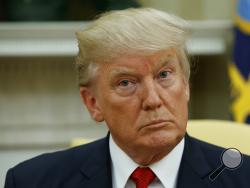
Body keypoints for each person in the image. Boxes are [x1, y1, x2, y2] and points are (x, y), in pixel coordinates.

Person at [4, 8, 250, 188]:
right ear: (93, 103)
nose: (152, 100)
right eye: (126, 83)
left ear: (185, 86)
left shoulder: (243, 178)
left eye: (164, 75)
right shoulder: (32, 181)